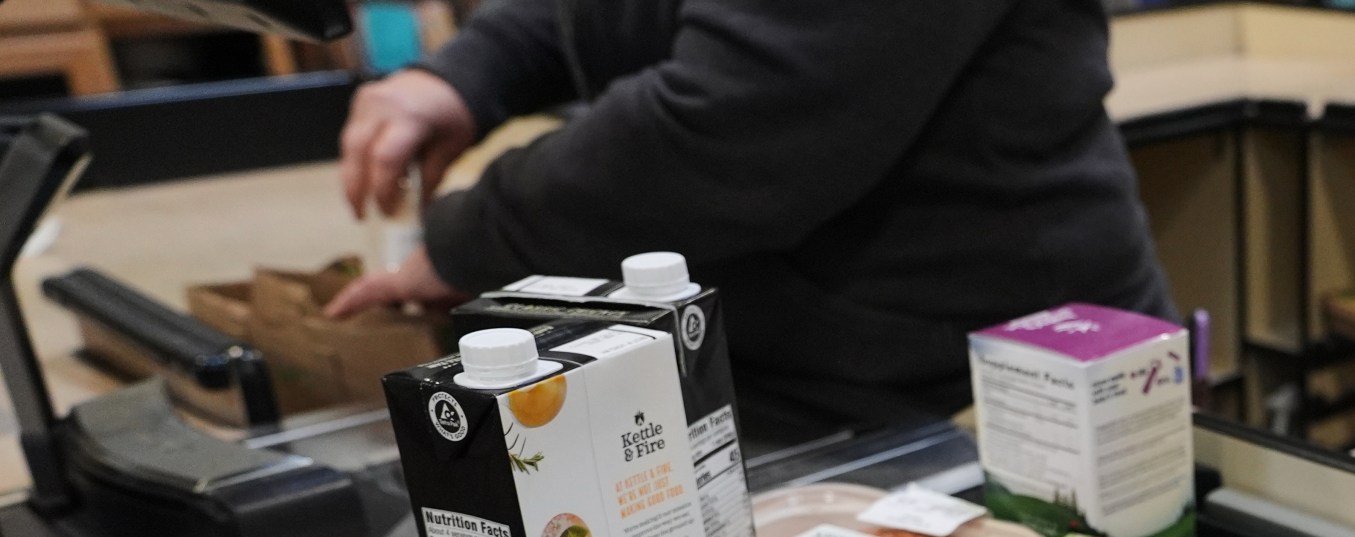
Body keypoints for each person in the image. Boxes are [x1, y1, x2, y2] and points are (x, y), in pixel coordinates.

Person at [328, 0, 1172, 437]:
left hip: (987, 391)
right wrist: (469, 73)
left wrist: (469, 244)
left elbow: (730, 129)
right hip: (812, 367)